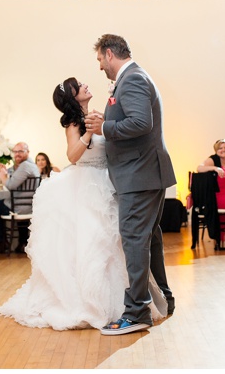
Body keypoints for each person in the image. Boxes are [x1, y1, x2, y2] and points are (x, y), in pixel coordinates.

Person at [0, 77, 167, 330]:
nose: (86, 85)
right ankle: (90, 303)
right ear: (74, 96)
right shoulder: (73, 123)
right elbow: (73, 156)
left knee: (116, 242)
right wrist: (89, 131)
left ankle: (129, 303)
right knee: (93, 242)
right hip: (86, 186)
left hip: (109, 183)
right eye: (79, 85)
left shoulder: (99, 115)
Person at [86, 34, 176, 336]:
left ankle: (137, 312)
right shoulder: (133, 78)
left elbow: (141, 123)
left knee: (135, 239)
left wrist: (105, 127)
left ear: (110, 54)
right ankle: (162, 297)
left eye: (100, 59)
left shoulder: (133, 78)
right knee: (148, 238)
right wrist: (108, 121)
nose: (100, 67)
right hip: (143, 173)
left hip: (139, 174)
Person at [0, 142, 40, 253]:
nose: (17, 154)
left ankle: (2, 241)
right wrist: (6, 171)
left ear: (27, 152)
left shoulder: (25, 166)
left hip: (20, 207)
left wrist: (2, 176)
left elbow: (10, 185)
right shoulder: (31, 165)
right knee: (9, 203)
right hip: (29, 205)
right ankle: (22, 242)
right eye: (15, 151)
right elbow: (14, 174)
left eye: (20, 151)